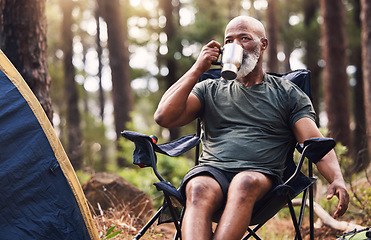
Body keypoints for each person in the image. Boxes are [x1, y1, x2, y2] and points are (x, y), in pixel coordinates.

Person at [154, 16, 349, 240]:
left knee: (243, 182)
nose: (235, 45)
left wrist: (337, 179)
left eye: (244, 38)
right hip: (213, 170)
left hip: (261, 176)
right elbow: (163, 117)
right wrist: (198, 68)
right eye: (229, 41)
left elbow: (314, 143)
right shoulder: (210, 89)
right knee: (197, 187)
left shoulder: (287, 93)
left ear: (263, 44)